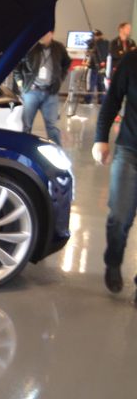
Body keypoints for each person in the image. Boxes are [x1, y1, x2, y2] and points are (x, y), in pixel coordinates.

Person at [93, 44, 137, 299]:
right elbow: (112, 102)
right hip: (129, 150)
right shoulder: (132, 61)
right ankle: (113, 262)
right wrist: (101, 138)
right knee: (119, 217)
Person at [13, 31, 70, 146]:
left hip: (51, 92)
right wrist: (21, 84)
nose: (42, 35)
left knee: (52, 126)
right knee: (26, 125)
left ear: (52, 34)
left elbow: (66, 63)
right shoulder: (30, 47)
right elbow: (17, 67)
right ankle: (23, 148)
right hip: (31, 92)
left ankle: (57, 150)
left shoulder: (59, 48)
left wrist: (60, 79)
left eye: (45, 33)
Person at [85, 29, 108, 104]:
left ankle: (88, 100)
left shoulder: (93, 43)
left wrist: (89, 47)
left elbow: (88, 53)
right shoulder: (107, 43)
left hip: (93, 66)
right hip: (103, 66)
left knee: (91, 83)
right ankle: (102, 100)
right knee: (101, 83)